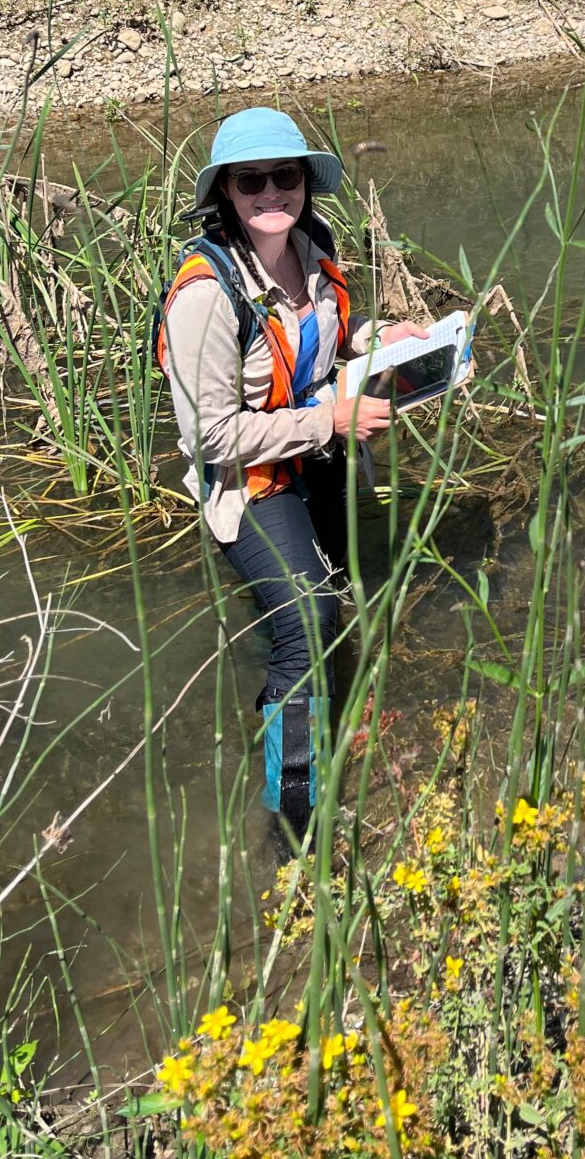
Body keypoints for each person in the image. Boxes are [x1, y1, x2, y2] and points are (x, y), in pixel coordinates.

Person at [156, 107, 423, 825]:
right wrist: (332, 419)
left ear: (306, 182)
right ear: (225, 197)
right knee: (305, 622)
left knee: (337, 592)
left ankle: (334, 723)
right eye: (251, 182)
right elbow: (210, 436)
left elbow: (321, 339)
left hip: (320, 458)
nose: (271, 193)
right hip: (250, 480)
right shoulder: (206, 296)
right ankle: (295, 811)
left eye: (286, 176)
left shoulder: (313, 247)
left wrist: (381, 338)